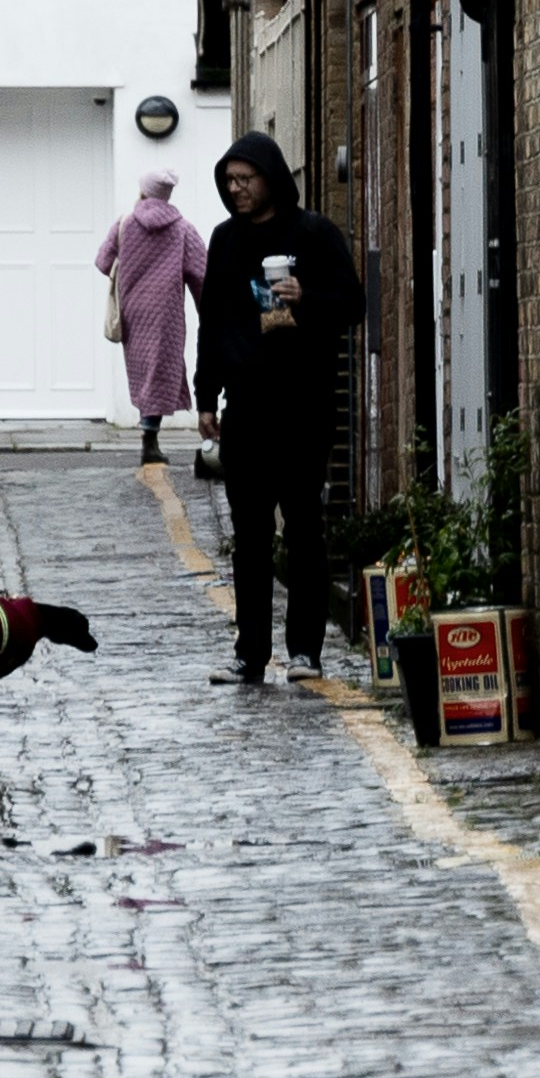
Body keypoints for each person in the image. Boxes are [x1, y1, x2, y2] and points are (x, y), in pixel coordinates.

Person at [190, 131, 363, 685]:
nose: (236, 190)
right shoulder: (224, 240)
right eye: (229, 181)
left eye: (246, 180)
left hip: (305, 405)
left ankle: (305, 652)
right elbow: (212, 320)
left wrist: (305, 298)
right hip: (247, 408)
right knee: (250, 537)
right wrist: (205, 395)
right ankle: (250, 654)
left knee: (305, 530)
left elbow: (354, 304)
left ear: (272, 178)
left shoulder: (312, 233)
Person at [94, 166, 210, 462]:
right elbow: (201, 273)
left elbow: (102, 261)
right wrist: (206, 309)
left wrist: (129, 265)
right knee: (161, 370)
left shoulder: (124, 223)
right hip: (166, 313)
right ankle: (150, 439)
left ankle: (149, 438)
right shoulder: (183, 228)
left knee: (143, 370)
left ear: (143, 191)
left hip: (133, 311)